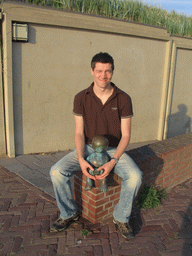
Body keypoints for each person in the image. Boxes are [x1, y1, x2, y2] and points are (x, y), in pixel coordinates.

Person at [50, 52, 142, 239]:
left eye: (107, 71)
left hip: (114, 149)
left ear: (112, 72)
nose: (103, 75)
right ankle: (69, 213)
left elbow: (126, 135)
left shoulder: (123, 99)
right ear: (92, 71)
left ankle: (121, 218)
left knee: (135, 177)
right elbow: (78, 132)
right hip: (88, 147)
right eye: (99, 70)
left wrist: (113, 161)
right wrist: (81, 158)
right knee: (56, 171)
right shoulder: (81, 97)